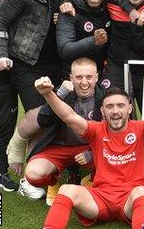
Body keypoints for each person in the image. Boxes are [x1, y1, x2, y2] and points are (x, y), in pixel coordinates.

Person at [38, 77, 144, 229]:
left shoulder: (142, 129)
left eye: (120, 105)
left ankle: (143, 225)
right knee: (67, 189)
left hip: (130, 200)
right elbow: (69, 116)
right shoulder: (96, 130)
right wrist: (48, 93)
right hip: (99, 199)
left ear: (129, 108)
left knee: (141, 191)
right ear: (102, 111)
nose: (115, 111)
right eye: (109, 107)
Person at [0, 0, 73, 179]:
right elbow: (0, 23)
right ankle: (17, 147)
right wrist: (0, 54)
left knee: (48, 121)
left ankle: (34, 172)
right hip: (24, 61)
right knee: (40, 113)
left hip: (54, 64)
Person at [22, 58, 103, 205]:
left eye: (89, 77)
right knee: (33, 174)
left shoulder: (104, 97)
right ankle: (53, 182)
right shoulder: (64, 92)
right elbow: (43, 120)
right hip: (59, 147)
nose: (84, 82)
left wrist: (90, 153)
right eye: (79, 77)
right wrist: (58, 94)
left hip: (90, 148)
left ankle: (91, 180)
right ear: (71, 78)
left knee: (113, 160)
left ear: (97, 77)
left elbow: (114, 136)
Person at [56, 0, 111, 75]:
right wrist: (93, 41)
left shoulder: (110, 6)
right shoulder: (69, 10)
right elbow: (64, 49)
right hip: (73, 72)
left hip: (102, 71)